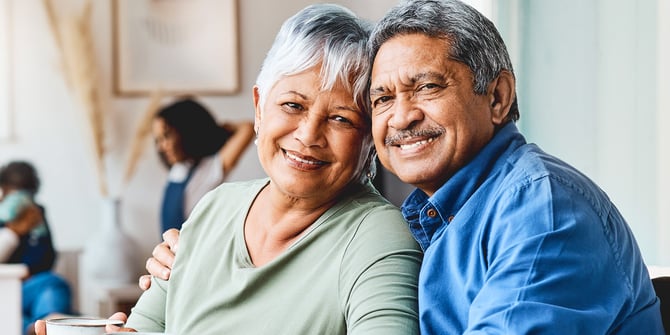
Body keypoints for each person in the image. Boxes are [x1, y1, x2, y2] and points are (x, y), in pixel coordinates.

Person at [140, 0, 665, 334]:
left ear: (498, 96)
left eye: (428, 87)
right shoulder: (445, 214)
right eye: (383, 98)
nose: (402, 116)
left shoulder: (538, 210)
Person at [35, 4, 422, 334]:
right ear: (258, 108)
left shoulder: (378, 236)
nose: (308, 135)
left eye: (341, 119)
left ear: (369, 136)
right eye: (292, 105)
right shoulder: (213, 208)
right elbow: (146, 327)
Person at [152, 97, 255, 234]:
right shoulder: (178, 170)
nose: (161, 147)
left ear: (185, 131)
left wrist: (219, 129)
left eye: (167, 136)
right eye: (158, 139)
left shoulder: (210, 168)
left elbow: (247, 128)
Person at [0, 161, 72, 335]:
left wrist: (36, 232)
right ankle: (41, 325)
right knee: (53, 284)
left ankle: (47, 323)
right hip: (5, 289)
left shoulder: (37, 215)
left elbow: (48, 256)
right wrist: (12, 233)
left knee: (51, 286)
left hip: (32, 286)